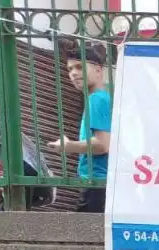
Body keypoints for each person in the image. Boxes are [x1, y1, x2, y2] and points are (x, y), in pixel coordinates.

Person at [50, 45, 112, 214]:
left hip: (98, 184)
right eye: (70, 69)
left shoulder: (97, 100)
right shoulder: (99, 99)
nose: (73, 73)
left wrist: (68, 146)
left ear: (98, 70)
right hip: (98, 184)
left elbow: (102, 144)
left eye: (79, 67)